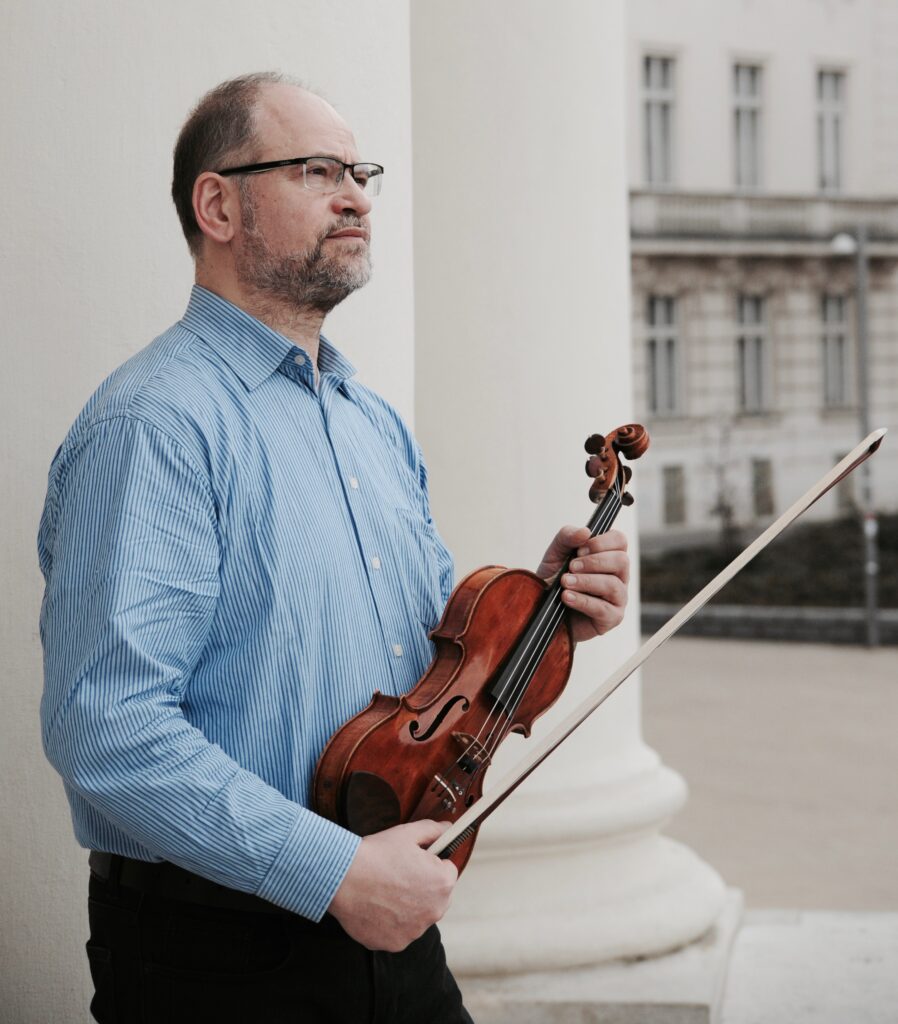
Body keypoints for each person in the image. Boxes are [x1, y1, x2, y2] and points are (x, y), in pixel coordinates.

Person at [38, 72, 630, 1023]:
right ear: (218, 203)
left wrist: (546, 612)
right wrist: (335, 870)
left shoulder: (372, 424)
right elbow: (106, 726)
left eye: (360, 171)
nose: (356, 193)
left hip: (390, 934)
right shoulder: (155, 424)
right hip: (218, 958)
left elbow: (436, 671)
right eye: (317, 170)